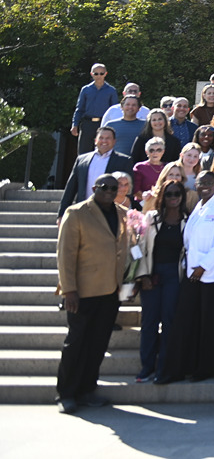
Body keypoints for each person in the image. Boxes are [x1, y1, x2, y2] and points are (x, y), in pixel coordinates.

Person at [54, 173, 130, 414]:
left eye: (113, 188)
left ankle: (87, 390)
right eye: (104, 187)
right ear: (95, 188)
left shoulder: (122, 213)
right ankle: (66, 393)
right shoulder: (77, 213)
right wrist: (69, 290)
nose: (109, 191)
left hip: (110, 290)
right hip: (82, 291)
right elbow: (65, 253)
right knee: (76, 343)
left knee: (98, 344)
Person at [132, 179, 188, 383]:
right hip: (152, 274)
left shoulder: (186, 220)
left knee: (169, 322)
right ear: (162, 197)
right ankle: (146, 366)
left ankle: (164, 368)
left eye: (177, 194)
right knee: (149, 322)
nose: (173, 198)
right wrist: (142, 275)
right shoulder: (151, 217)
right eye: (169, 194)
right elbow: (138, 248)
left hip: (174, 275)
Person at [59, 126, 134, 218]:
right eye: (101, 138)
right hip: (84, 211)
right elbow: (71, 188)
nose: (104, 141)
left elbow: (130, 189)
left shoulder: (124, 161)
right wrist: (61, 214)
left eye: (108, 138)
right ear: (95, 140)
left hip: (110, 213)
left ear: (114, 141)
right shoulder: (82, 160)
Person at [72, 63, 120, 152]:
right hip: (87, 124)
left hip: (103, 124)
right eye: (96, 73)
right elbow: (79, 108)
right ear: (91, 74)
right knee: (83, 151)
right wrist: (75, 124)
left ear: (105, 74)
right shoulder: (85, 89)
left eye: (101, 73)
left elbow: (114, 111)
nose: (99, 76)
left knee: (103, 151)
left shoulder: (111, 90)